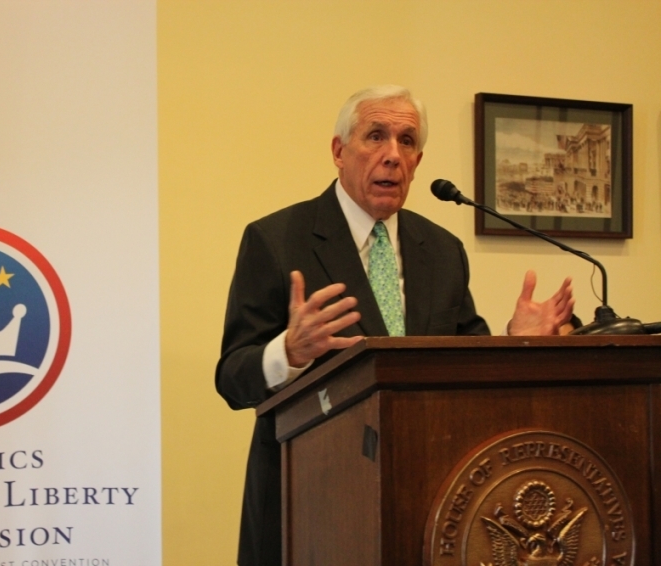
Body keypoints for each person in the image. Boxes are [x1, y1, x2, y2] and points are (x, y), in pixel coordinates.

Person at [215, 85, 574, 566]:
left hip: (428, 502)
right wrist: (290, 352)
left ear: (418, 160)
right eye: (376, 136)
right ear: (339, 152)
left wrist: (517, 343)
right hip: (312, 506)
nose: (392, 155)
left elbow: (461, 371)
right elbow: (231, 379)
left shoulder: (443, 250)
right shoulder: (277, 240)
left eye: (406, 142)